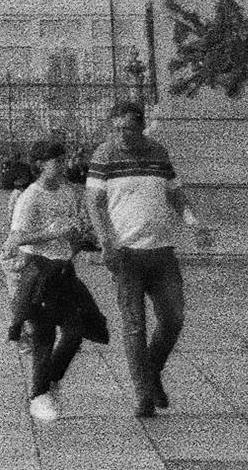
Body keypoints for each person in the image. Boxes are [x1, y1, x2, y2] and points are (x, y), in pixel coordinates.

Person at [86, 101, 198, 419]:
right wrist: (105, 240)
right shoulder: (105, 154)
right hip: (126, 255)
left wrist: (193, 222)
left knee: (173, 319)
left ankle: (151, 373)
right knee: (134, 326)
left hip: (162, 252)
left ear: (141, 127)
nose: (121, 135)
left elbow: (175, 193)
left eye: (128, 128)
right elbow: (93, 202)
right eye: (116, 128)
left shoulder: (158, 152)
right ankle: (143, 394)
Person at [5, 140, 104, 423]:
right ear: (40, 165)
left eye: (63, 160)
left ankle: (49, 381)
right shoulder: (30, 197)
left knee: (75, 332)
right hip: (37, 272)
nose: (62, 166)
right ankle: (39, 395)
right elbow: (17, 238)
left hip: (63, 270)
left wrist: (80, 240)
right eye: (56, 161)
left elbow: (75, 230)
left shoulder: (69, 193)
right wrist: (52, 232)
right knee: (44, 336)